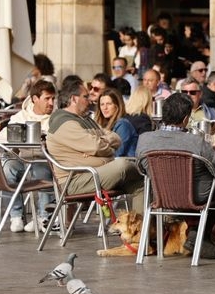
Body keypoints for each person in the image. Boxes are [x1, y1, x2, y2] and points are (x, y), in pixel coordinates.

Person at [136, 93, 215, 258]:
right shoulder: (196, 142)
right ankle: (200, 233)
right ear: (186, 118)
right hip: (195, 196)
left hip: (160, 195)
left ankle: (196, 233)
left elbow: (142, 169)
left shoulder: (144, 139)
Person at [47, 79, 144, 212]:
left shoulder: (85, 119)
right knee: (123, 165)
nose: (91, 100)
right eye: (85, 97)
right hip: (75, 180)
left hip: (94, 173)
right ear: (74, 99)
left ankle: (140, 224)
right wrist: (104, 147)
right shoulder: (64, 123)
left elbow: (116, 138)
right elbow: (96, 147)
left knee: (139, 181)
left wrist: (99, 144)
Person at [0, 80, 56, 233]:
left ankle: (43, 217)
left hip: (44, 160)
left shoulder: (56, 118)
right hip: (22, 159)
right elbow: (3, 135)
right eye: (47, 98)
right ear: (35, 99)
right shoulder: (21, 116)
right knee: (7, 168)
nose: (51, 103)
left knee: (40, 168)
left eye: (53, 98)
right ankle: (16, 216)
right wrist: (23, 134)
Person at [95, 88, 138, 157]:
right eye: (102, 104)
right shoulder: (102, 125)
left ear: (117, 105)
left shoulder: (123, 124)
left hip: (124, 162)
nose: (105, 108)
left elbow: (118, 152)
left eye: (109, 104)